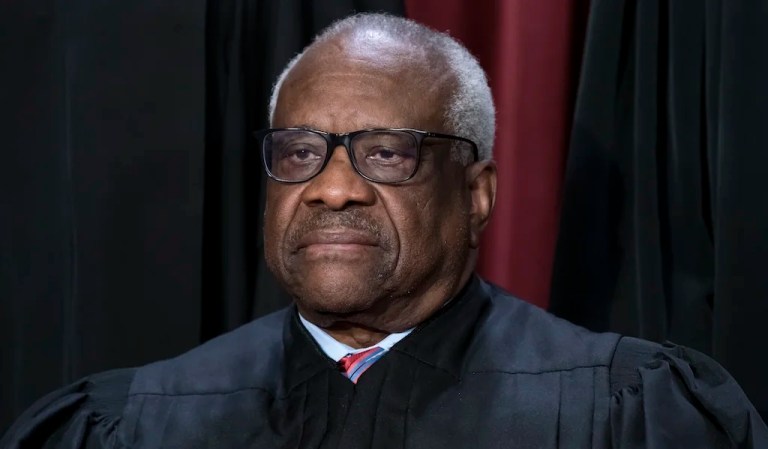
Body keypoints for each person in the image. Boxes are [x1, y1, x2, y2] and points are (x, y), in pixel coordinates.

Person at [2, 13, 766, 449]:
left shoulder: (627, 414)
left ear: (476, 195)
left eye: (387, 153)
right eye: (300, 152)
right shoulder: (138, 424)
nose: (332, 188)